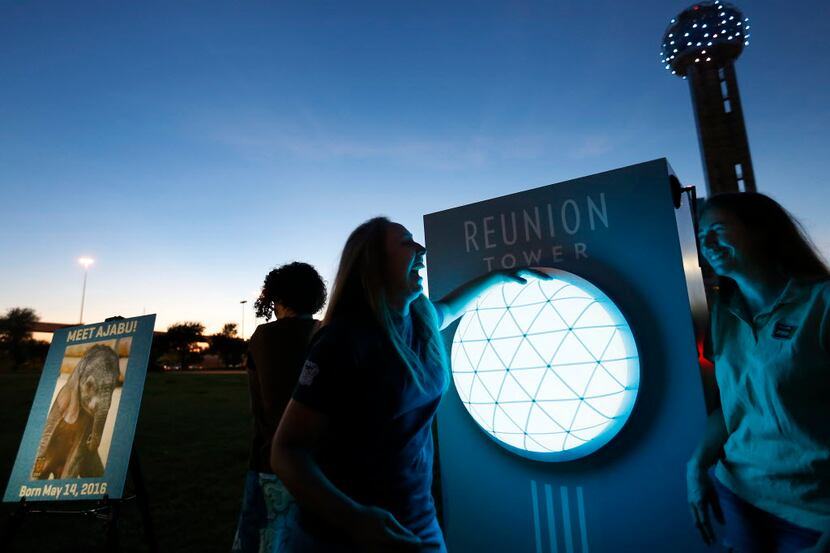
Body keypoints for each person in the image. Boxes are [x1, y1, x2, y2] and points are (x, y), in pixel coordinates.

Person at [271, 217, 545, 552]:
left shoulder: (421, 317)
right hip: (344, 535)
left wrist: (497, 277)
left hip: (417, 518)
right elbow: (286, 450)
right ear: (374, 261)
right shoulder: (343, 342)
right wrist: (354, 518)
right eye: (406, 242)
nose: (421, 249)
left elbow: (447, 308)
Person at [688, 193, 830, 552]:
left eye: (719, 229)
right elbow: (733, 409)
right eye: (702, 234)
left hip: (814, 512)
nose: (706, 243)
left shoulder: (822, 304)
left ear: (763, 232)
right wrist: (696, 466)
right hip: (738, 494)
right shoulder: (723, 315)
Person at [232, 262, 328, 553]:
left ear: (279, 298)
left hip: (270, 461)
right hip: (324, 464)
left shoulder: (263, 337)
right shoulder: (328, 332)